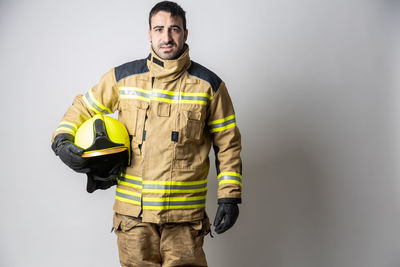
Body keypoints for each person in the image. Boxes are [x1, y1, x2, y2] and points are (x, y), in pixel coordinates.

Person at [51, 1, 242, 266]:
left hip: (184, 219)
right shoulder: (123, 78)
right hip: (133, 219)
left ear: (185, 34)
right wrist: (61, 141)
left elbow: (228, 145)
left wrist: (229, 197)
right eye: (159, 29)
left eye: (174, 29)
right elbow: (82, 107)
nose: (166, 37)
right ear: (149, 33)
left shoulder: (209, 86)